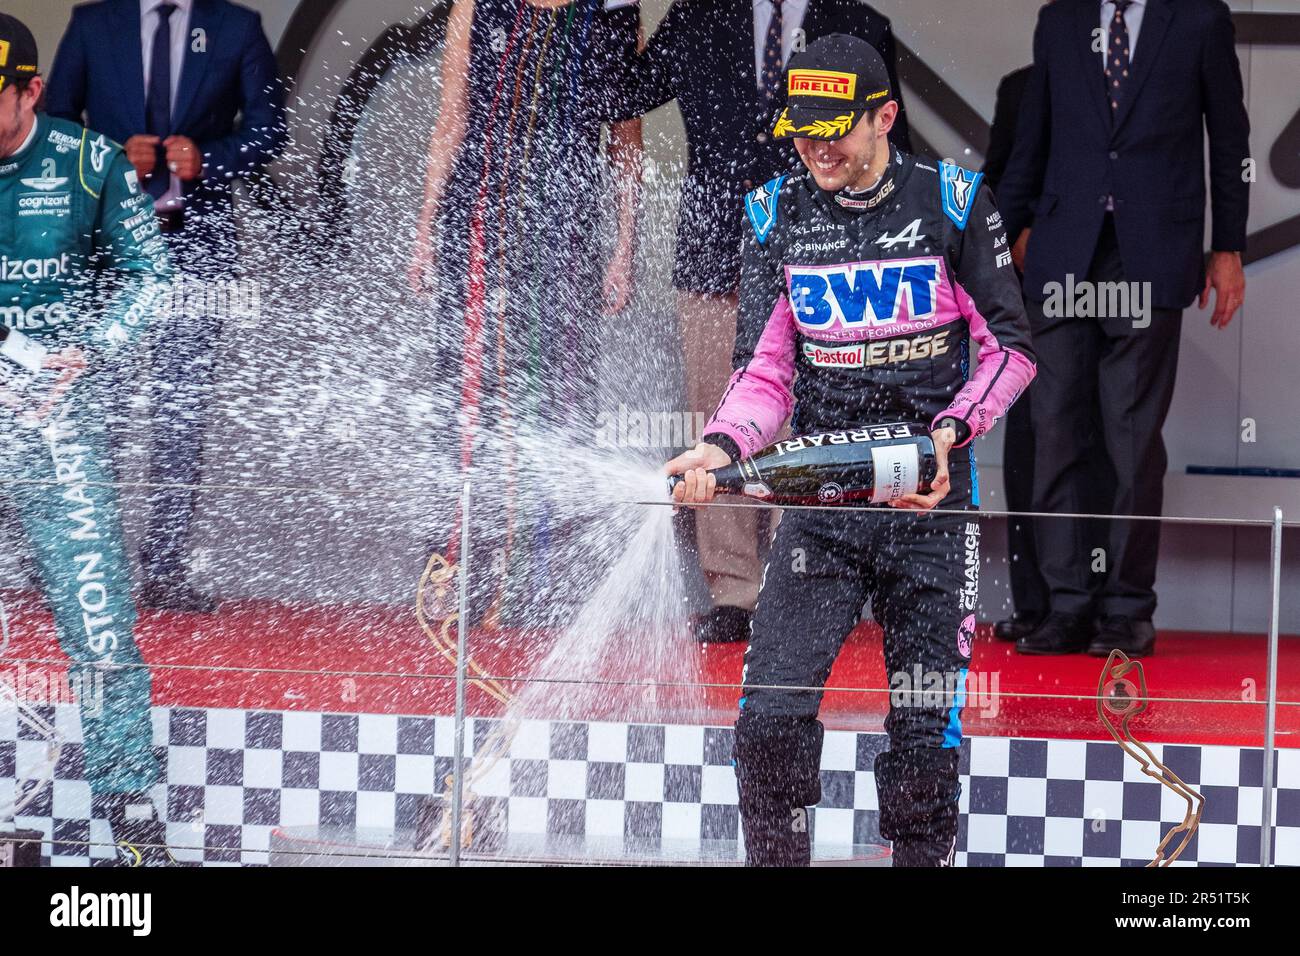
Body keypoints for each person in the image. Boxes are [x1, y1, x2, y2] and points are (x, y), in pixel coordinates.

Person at [666, 35, 1036, 866]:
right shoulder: (773, 212)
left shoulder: (953, 199)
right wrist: (718, 446)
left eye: (837, 129)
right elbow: (764, 373)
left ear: (885, 118)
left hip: (933, 511)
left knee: (922, 740)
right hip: (821, 511)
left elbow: (1012, 348)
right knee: (767, 722)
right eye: (803, 130)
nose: (818, 147)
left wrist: (950, 436)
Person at [616, 0, 911, 644]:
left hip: (829, 258)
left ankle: (805, 583)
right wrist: (614, 13)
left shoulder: (857, 23)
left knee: (815, 418)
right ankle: (734, 591)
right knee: (716, 415)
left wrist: (885, 257)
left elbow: (896, 151)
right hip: (712, 251)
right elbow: (623, 90)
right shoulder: (697, 13)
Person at [997, 0, 1250, 658]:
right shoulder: (1060, 19)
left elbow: (1229, 139)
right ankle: (1067, 604)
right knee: (1053, 429)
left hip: (1151, 251)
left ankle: (1126, 609)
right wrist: (1006, 240)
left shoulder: (1198, 19)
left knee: (1130, 437)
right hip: (1061, 251)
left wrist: (1228, 247)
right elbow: (1033, 137)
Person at [0, 13, 179, 864]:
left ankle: (132, 822)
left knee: (101, 631)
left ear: (31, 90)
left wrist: (93, 347)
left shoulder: (85, 160)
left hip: (54, 434)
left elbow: (155, 275)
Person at [46, 0, 287, 612]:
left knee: (180, 414)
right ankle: (86, 566)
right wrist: (106, 155)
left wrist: (211, 159)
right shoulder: (93, 24)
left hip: (199, 246)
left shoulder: (237, 26)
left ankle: (165, 571)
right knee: (96, 405)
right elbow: (49, 121)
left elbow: (271, 128)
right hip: (107, 245)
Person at [407, 0, 641, 628]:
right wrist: (427, 230)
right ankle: (454, 568)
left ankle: (542, 580)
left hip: (565, 229)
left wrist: (624, 246)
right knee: (468, 390)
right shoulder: (475, 5)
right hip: (478, 218)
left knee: (560, 394)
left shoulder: (615, 12)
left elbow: (625, 145)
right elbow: (451, 118)